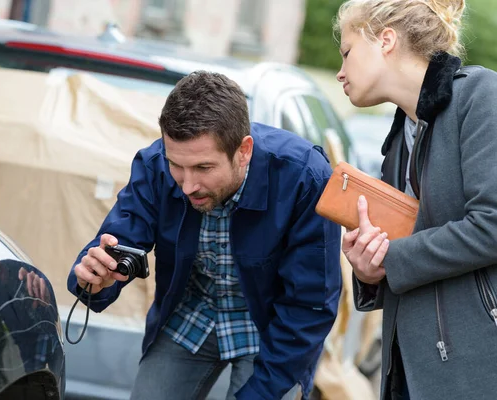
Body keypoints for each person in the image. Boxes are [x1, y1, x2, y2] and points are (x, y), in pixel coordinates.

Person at [67, 71, 342, 400]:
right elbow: (120, 237)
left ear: (244, 151)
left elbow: (310, 303)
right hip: (190, 313)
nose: (186, 185)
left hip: (272, 328)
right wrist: (95, 278)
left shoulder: (305, 177)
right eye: (177, 166)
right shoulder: (154, 165)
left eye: (203, 168)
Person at [335, 0, 497, 399]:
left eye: (347, 52)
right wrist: (367, 268)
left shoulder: (480, 96)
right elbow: (406, 250)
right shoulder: (399, 140)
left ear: (385, 40)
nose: (340, 72)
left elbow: (491, 224)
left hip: (475, 368)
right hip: (407, 369)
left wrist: (390, 257)